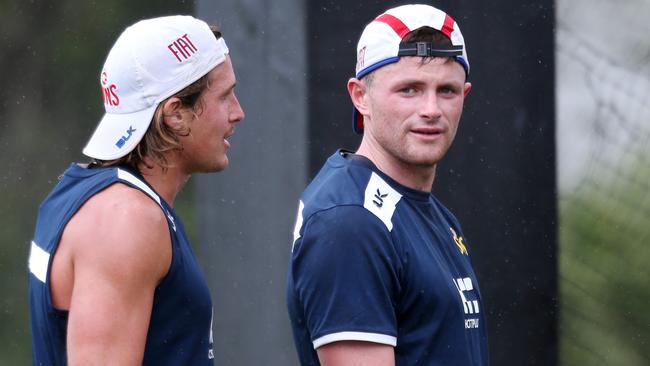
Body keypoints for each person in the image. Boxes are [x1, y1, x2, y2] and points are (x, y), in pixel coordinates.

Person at [27, 15, 244, 365]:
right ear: (175, 114)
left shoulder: (101, 198)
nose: (238, 113)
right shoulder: (126, 220)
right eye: (225, 97)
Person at [287, 4, 488, 365]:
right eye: (409, 89)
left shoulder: (434, 215)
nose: (431, 109)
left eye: (447, 90)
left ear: (465, 96)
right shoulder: (351, 220)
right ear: (360, 96)